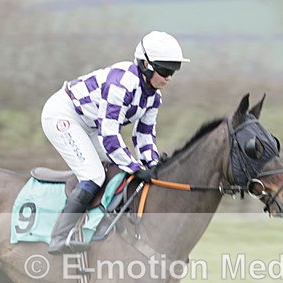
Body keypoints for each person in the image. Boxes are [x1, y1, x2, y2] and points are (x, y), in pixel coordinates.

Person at [40, 30, 190, 255]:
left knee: (120, 171)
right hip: (63, 115)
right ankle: (59, 237)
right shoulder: (121, 84)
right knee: (94, 176)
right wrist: (136, 168)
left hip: (90, 125)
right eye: (165, 70)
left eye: (174, 71)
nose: (169, 77)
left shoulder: (154, 96)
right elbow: (110, 136)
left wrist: (153, 165)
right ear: (146, 64)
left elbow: (144, 136)